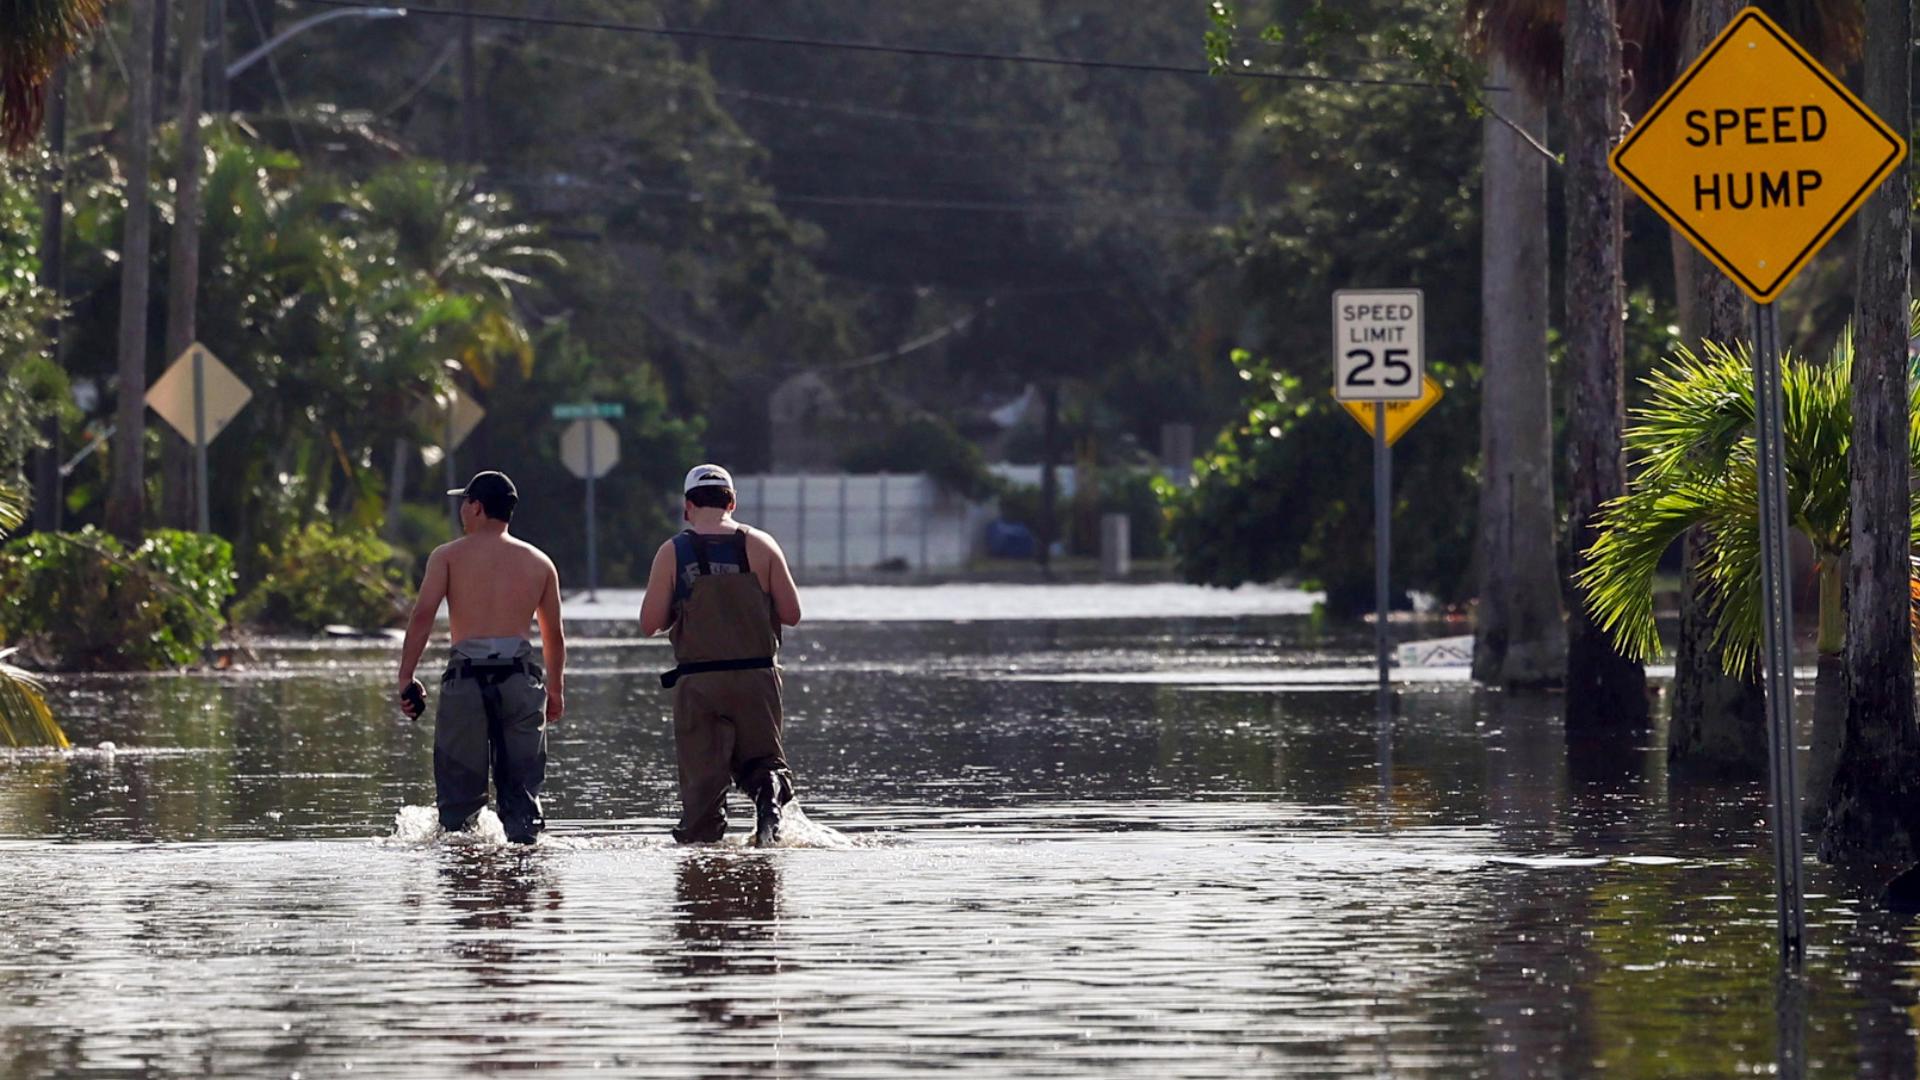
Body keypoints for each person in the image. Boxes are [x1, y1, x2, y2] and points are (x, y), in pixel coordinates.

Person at [396, 470, 566, 844]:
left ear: (476, 507)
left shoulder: (448, 557)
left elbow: (422, 614)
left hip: (466, 681)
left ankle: (468, 886)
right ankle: (522, 884)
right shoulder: (540, 562)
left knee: (458, 805)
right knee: (522, 796)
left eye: (465, 501)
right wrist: (555, 691)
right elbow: (553, 635)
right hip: (521, 682)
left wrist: (406, 676)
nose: (461, 509)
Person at [641, 464, 803, 846]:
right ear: (732, 501)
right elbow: (793, 614)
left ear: (687, 506)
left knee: (702, 787)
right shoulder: (761, 545)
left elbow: (649, 623)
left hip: (699, 683)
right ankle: (769, 798)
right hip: (757, 679)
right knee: (763, 761)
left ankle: (702, 863)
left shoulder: (673, 552)